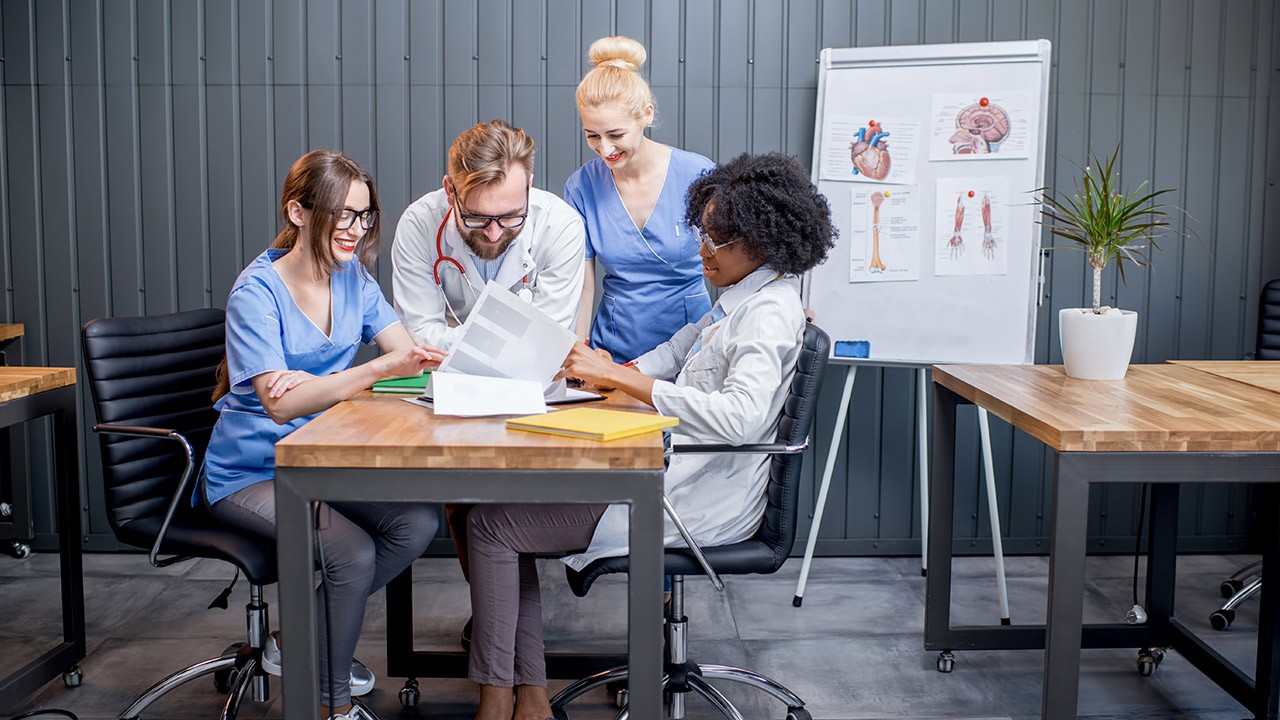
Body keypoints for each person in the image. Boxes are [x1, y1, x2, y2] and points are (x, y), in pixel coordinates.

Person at [463, 153, 837, 720]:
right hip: (671, 477)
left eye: (718, 240)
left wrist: (622, 379)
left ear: (762, 242)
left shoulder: (768, 314)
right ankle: (525, 691)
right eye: (703, 235)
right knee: (497, 512)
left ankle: (503, 696)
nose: (702, 251)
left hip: (694, 502)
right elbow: (677, 351)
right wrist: (608, 369)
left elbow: (739, 417)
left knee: (491, 525)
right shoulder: (739, 302)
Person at [202, 150, 445, 720]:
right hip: (251, 472)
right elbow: (281, 407)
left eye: (364, 216)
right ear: (299, 212)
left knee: (417, 522)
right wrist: (355, 376)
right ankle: (331, 707)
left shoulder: (354, 277)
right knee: (351, 553)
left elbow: (406, 353)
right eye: (343, 214)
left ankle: (297, 643)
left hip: (319, 458)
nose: (356, 229)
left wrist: (328, 381)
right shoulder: (255, 294)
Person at [564, 36, 715, 362]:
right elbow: (583, 287)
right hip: (614, 350)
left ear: (646, 115)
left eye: (616, 135)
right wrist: (577, 354)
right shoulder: (581, 187)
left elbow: (737, 259)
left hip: (691, 347)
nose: (605, 149)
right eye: (592, 135)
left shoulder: (697, 173)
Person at [392, 119, 587, 350]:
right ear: (449, 191)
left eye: (510, 216)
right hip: (443, 379)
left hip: (533, 382)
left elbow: (546, 342)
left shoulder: (561, 226)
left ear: (529, 186)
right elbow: (418, 335)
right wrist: (513, 342)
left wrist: (451, 334)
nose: (493, 234)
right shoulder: (419, 224)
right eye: (476, 218)